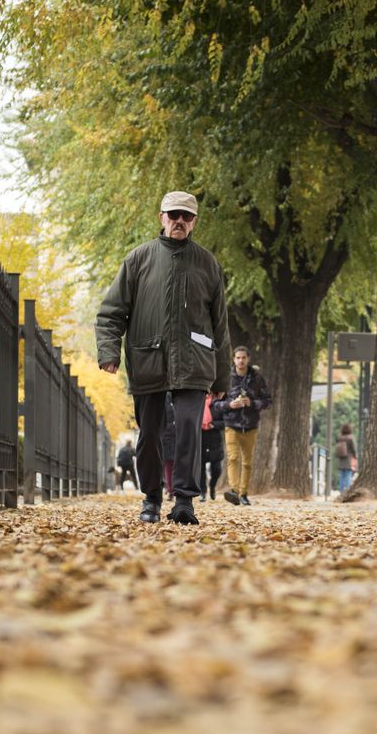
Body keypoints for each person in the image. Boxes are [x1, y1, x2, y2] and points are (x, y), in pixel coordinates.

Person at [97, 190, 231, 525]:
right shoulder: (138, 260)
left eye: (186, 217)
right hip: (148, 359)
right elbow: (112, 312)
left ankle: (185, 500)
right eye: (173, 215)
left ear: (194, 222)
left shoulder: (208, 264)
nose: (179, 222)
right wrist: (109, 350)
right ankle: (152, 498)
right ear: (161, 218)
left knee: (188, 427)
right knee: (150, 432)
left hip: (195, 361)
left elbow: (221, 326)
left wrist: (222, 377)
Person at [217, 346, 272, 506]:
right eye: (238, 358)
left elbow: (268, 401)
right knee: (233, 458)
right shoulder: (226, 378)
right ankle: (233, 490)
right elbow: (215, 404)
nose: (241, 361)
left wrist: (252, 403)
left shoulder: (257, 378)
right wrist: (230, 405)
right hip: (232, 424)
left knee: (247, 462)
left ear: (248, 359)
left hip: (250, 426)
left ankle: (243, 494)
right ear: (234, 359)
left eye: (243, 358)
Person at [201, 391, 227, 501]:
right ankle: (203, 492)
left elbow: (225, 422)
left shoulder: (218, 403)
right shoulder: (197, 403)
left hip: (215, 439)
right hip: (201, 439)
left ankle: (212, 486)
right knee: (200, 469)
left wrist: (214, 425)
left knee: (217, 468)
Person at [334, 423, 358, 494]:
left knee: (341, 476)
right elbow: (354, 449)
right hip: (349, 459)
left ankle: (341, 491)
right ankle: (347, 492)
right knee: (348, 475)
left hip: (341, 459)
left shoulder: (339, 438)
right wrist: (355, 456)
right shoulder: (351, 438)